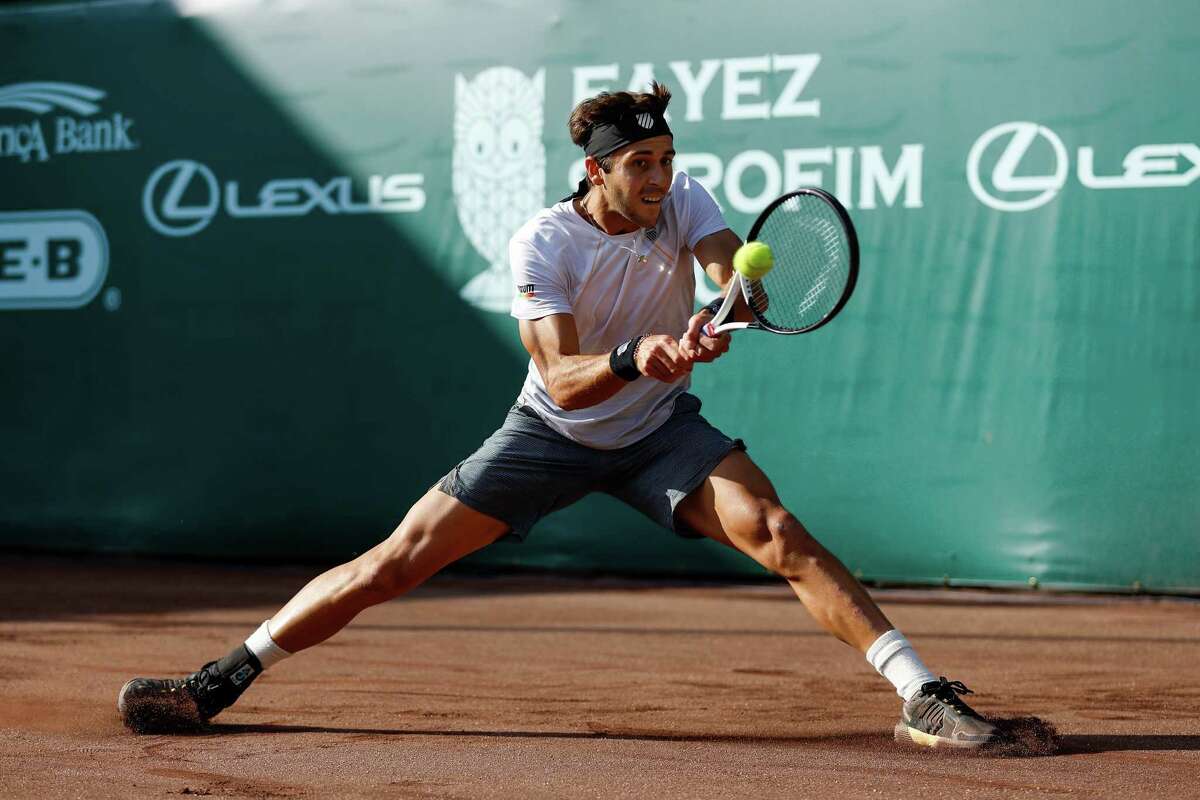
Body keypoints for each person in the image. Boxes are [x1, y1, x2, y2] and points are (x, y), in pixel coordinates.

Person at [118, 82, 1001, 750]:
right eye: (641, 167)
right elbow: (564, 378)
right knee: (391, 565)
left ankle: (920, 696)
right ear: (597, 172)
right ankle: (217, 683)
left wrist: (723, 305)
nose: (661, 179)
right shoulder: (545, 241)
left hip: (660, 433)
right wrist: (634, 355)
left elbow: (741, 272)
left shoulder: (684, 202)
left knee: (776, 529)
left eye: (667, 161)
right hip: (550, 437)